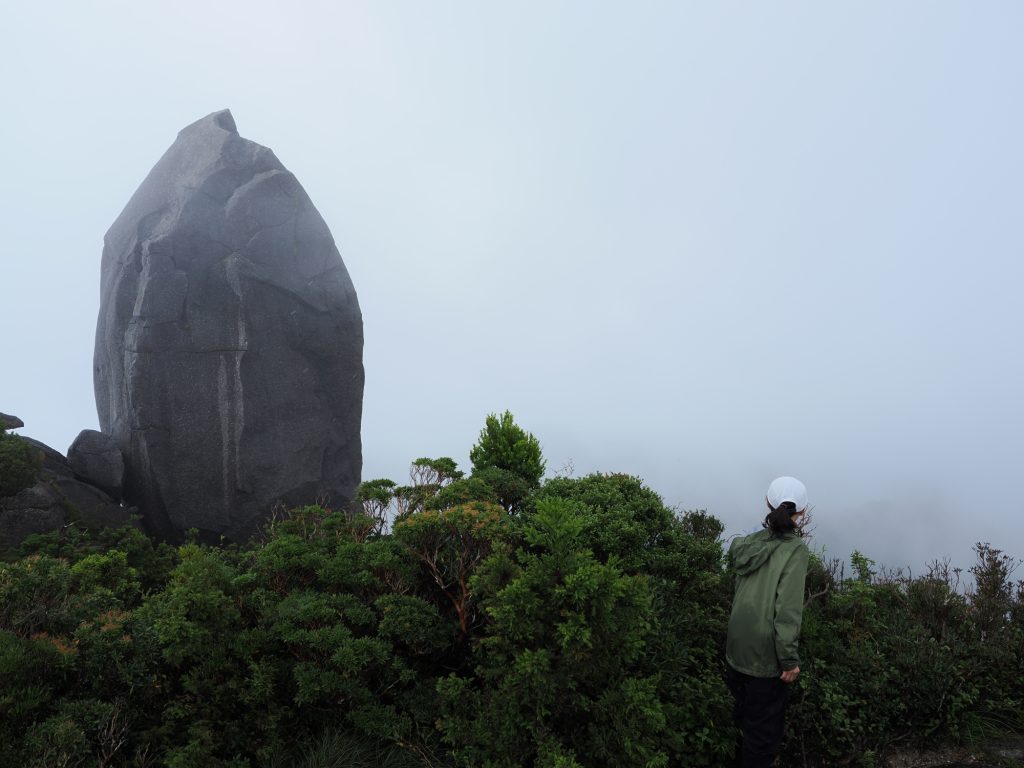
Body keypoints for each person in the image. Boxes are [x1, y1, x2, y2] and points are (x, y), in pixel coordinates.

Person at [725, 476, 810, 768]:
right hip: (765, 657)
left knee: (741, 722)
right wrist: (789, 660)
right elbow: (786, 610)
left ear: (767, 503)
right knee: (762, 740)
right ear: (801, 513)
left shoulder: (748, 543)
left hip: (736, 647)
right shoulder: (796, 550)